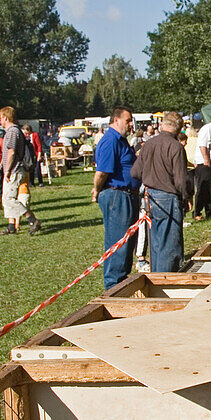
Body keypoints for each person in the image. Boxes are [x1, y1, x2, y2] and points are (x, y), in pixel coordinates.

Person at [132, 111, 191, 273]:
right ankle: (167, 282)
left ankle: (156, 278)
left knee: (157, 242)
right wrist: (186, 197)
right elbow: (180, 180)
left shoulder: (148, 144)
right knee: (170, 245)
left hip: (150, 198)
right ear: (179, 130)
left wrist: (151, 175)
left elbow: (135, 172)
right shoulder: (176, 147)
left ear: (162, 125)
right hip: (169, 199)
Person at [91, 106, 139, 288]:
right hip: (117, 196)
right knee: (118, 243)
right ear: (116, 120)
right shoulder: (110, 140)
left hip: (127, 195)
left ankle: (121, 282)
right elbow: (101, 172)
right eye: (128, 120)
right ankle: (113, 286)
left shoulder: (121, 141)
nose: (130, 124)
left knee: (126, 244)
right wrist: (96, 190)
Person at [0, 106, 42, 236]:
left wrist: (7, 170)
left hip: (14, 169)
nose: (0, 121)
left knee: (9, 198)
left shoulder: (12, 132)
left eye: (1, 118)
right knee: (7, 198)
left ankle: (32, 220)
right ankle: (11, 226)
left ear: (6, 118)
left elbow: (11, 152)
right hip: (15, 168)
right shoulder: (15, 131)